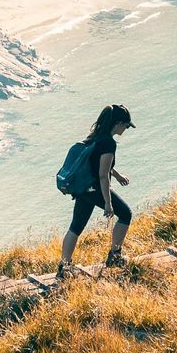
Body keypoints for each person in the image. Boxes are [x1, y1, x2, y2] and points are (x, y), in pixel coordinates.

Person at [60, 103, 134, 273]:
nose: (126, 129)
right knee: (125, 214)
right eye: (126, 125)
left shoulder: (94, 137)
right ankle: (115, 256)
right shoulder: (109, 143)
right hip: (95, 188)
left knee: (76, 227)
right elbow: (102, 174)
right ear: (118, 124)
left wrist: (117, 175)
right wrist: (108, 203)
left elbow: (100, 165)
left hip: (83, 188)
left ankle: (64, 267)